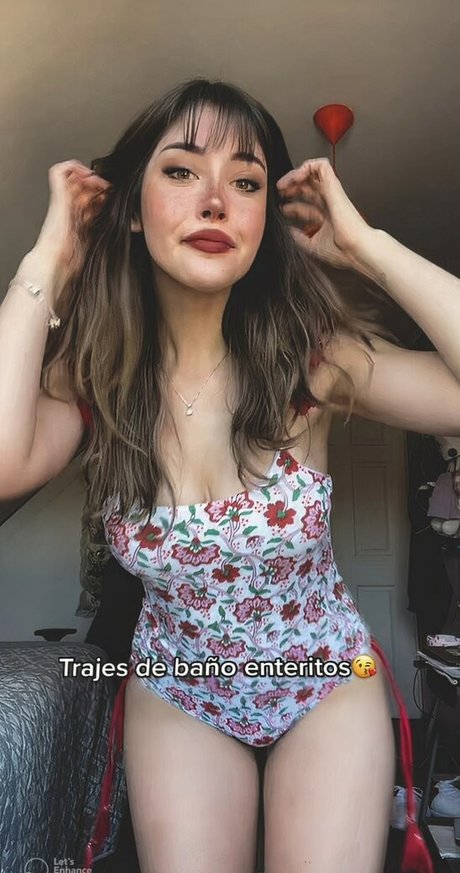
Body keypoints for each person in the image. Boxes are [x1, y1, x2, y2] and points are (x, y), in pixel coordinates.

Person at [2, 77, 458, 873]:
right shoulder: (97, 377)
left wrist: (366, 246)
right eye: (181, 171)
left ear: (261, 225)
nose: (215, 200)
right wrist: (48, 260)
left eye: (245, 183)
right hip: (179, 693)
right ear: (133, 209)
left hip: (324, 681)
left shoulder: (312, 359)